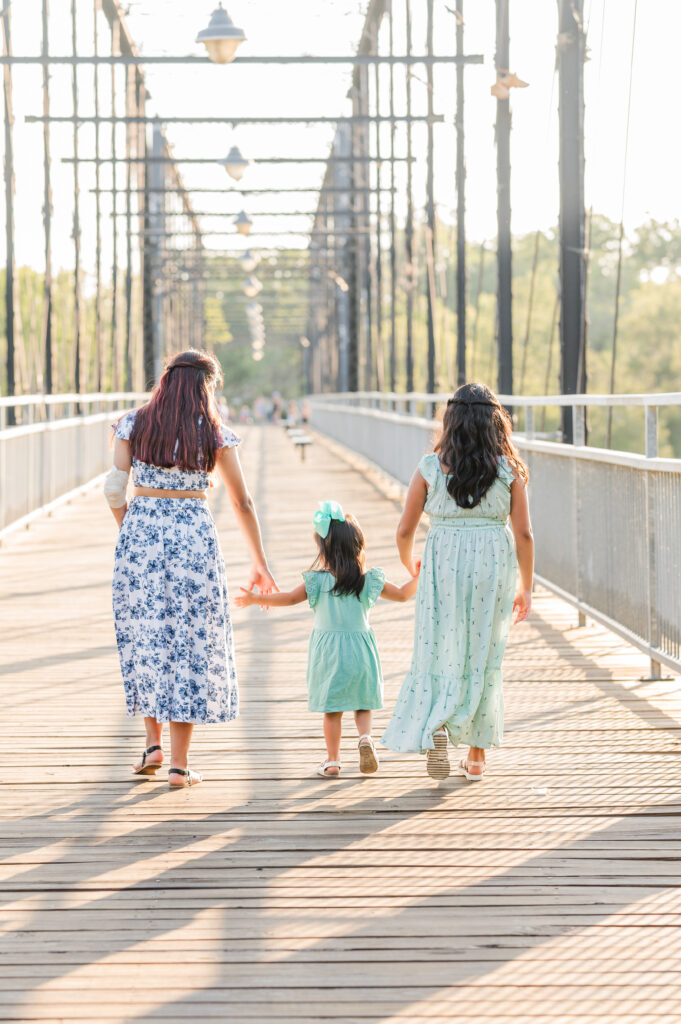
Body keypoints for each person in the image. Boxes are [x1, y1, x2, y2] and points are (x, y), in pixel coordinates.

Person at [103, 349, 277, 788]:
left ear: (166, 381)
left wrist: (131, 527)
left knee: (146, 634)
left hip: (141, 531)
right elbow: (241, 501)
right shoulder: (214, 432)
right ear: (206, 386)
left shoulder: (133, 423)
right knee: (189, 641)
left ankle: (151, 744)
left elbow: (112, 488)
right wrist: (260, 562)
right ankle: (179, 766)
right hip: (193, 537)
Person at [381, 382, 534, 781]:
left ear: (450, 422)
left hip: (442, 561)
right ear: (495, 423)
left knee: (440, 647)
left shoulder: (429, 467)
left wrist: (409, 563)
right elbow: (525, 536)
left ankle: (438, 725)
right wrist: (527, 587)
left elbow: (404, 529)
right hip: (492, 564)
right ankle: (477, 757)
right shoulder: (509, 470)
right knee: (483, 651)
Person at [234, 501, 419, 778]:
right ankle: (365, 738)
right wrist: (419, 574)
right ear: (358, 548)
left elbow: (288, 599)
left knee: (332, 711)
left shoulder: (318, 582)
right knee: (362, 703)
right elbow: (404, 594)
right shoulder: (367, 580)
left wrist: (255, 598)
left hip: (329, 653)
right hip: (361, 650)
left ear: (324, 551)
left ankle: (333, 761)